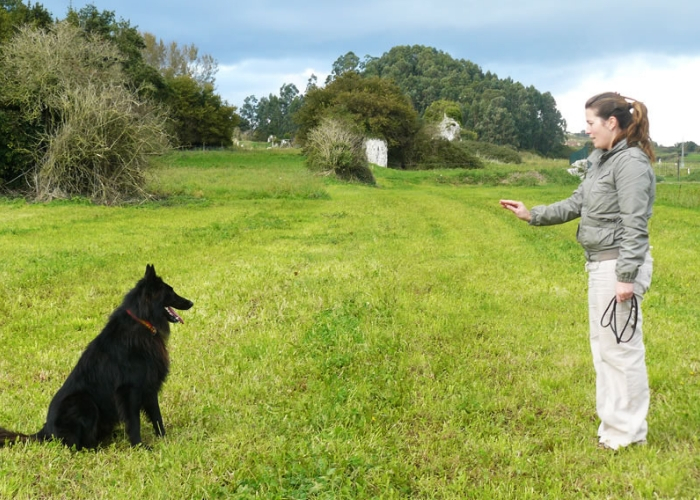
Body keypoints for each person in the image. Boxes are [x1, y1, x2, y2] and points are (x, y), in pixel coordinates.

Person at [500, 92, 656, 450]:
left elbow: (636, 225)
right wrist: (531, 214)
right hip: (601, 264)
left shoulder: (630, 163)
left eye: (590, 123)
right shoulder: (601, 159)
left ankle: (629, 434)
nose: (586, 131)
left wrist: (626, 277)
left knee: (621, 350)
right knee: (604, 350)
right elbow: (577, 202)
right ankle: (613, 429)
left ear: (611, 123)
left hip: (618, 265)